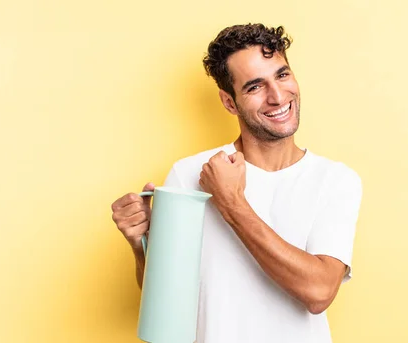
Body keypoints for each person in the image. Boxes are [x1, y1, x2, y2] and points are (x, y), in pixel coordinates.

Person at [111, 23, 363, 343]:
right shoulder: (188, 174)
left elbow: (318, 291)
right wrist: (140, 244)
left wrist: (232, 202)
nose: (277, 96)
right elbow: (167, 300)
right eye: (255, 87)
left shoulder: (336, 180)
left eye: (282, 75)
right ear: (229, 103)